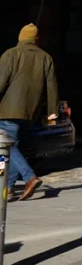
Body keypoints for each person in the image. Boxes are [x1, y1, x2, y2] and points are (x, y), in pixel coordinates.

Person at [0, 24, 56, 201]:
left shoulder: (11, 54)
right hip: (31, 111)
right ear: (36, 39)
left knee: (7, 147)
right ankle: (8, 188)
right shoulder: (46, 57)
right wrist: (52, 111)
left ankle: (29, 177)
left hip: (9, 110)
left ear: (20, 37)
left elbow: (1, 81)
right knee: (13, 147)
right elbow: (51, 86)